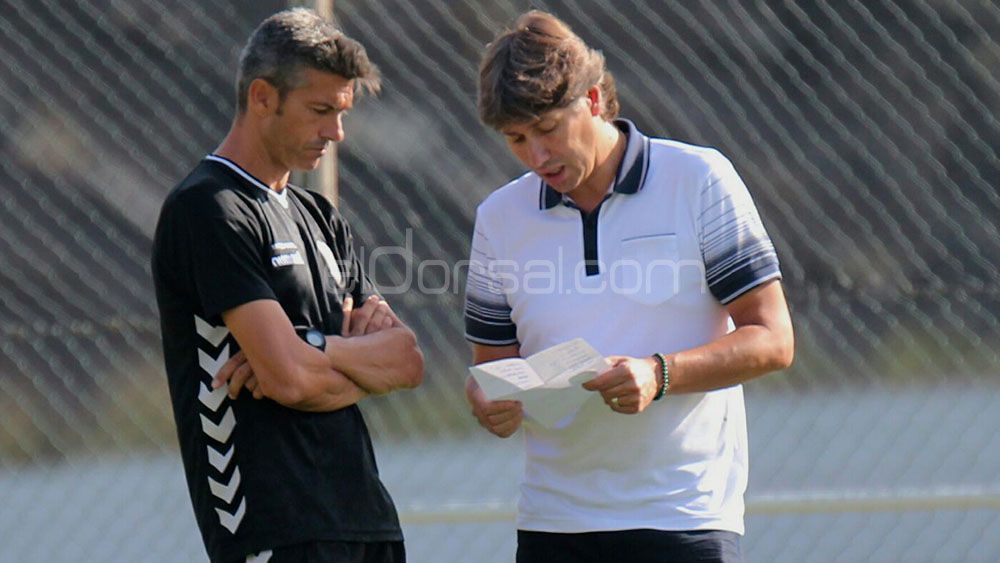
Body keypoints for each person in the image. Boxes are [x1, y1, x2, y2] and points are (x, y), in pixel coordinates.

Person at [463, 10, 794, 563]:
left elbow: (773, 339)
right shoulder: (499, 217)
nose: (536, 156)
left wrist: (659, 374)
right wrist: (488, 401)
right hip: (552, 525)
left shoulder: (699, 179)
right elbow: (494, 367)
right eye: (516, 138)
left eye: (547, 129)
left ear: (593, 100)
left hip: (684, 517)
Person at [152, 8, 423, 563]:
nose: (336, 132)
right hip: (274, 530)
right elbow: (289, 379)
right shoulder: (208, 209)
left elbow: (407, 360)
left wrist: (317, 348)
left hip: (367, 521)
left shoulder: (320, 215)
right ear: (261, 97)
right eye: (320, 110)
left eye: (342, 113)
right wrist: (341, 363)